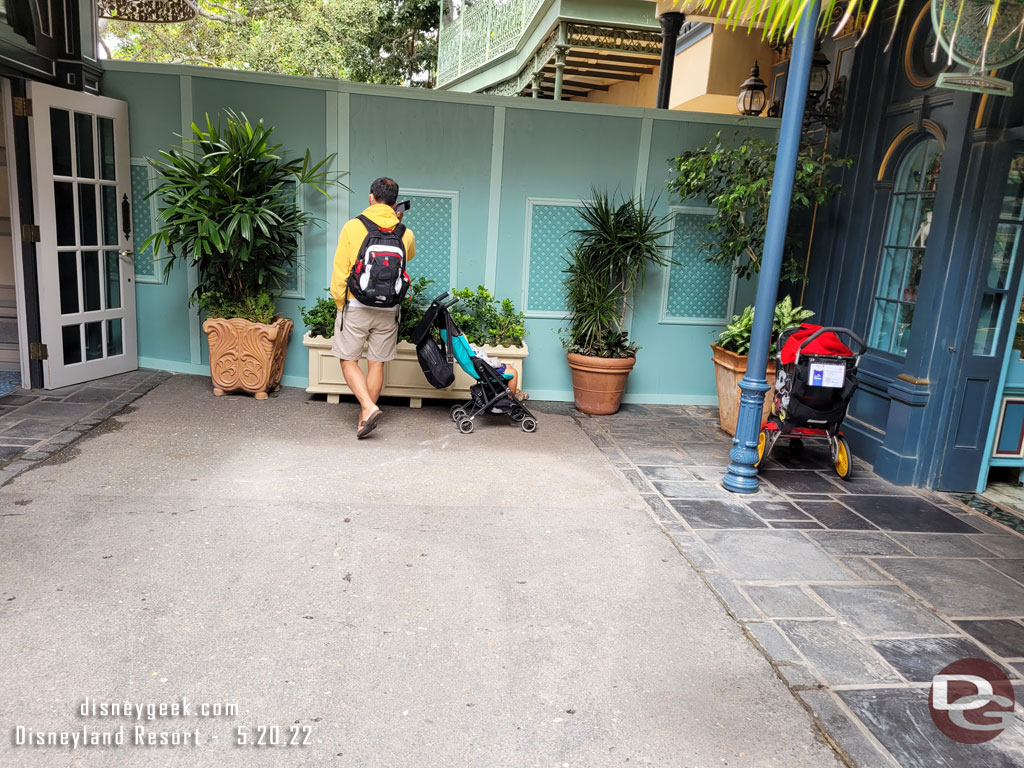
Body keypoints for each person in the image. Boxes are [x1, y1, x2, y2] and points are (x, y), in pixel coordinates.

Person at [329, 177, 415, 438]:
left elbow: (341, 269)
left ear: (371, 197)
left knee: (348, 360)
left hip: (356, 303)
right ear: (394, 202)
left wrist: (339, 300)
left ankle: (367, 406)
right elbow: (407, 256)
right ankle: (363, 419)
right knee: (376, 364)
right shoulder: (405, 232)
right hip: (389, 308)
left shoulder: (353, 227)